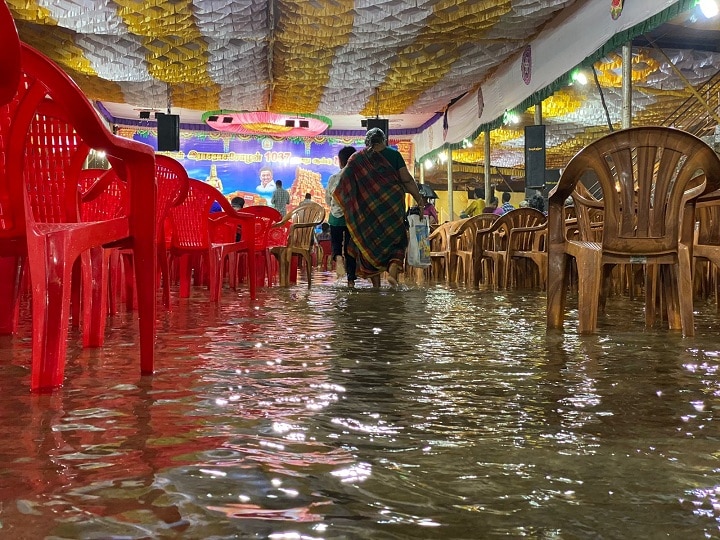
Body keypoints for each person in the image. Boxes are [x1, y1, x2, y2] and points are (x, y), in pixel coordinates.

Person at [334, 128, 424, 288]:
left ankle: (376, 286)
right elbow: (407, 180)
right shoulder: (394, 155)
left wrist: (353, 205)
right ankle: (392, 273)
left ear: (367, 142)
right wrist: (419, 200)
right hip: (392, 207)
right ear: (384, 140)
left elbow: (343, 185)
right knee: (397, 240)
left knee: (371, 242)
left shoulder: (356, 159)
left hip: (368, 210)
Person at [326, 146, 358, 287]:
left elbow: (328, 199)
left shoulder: (334, 178)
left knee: (336, 244)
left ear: (340, 161)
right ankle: (351, 281)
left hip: (335, 217)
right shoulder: (357, 179)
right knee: (350, 249)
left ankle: (338, 258)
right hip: (351, 218)